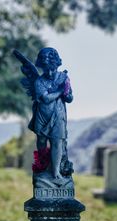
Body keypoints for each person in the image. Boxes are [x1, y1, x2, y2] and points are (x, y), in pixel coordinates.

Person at [28, 47, 73, 179]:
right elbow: (46, 99)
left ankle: (56, 171)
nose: (49, 71)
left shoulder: (64, 77)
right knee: (41, 140)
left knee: (57, 142)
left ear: (56, 64)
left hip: (58, 114)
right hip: (42, 115)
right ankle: (42, 165)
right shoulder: (39, 82)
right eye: (45, 68)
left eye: (51, 68)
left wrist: (67, 92)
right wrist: (59, 91)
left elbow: (70, 98)